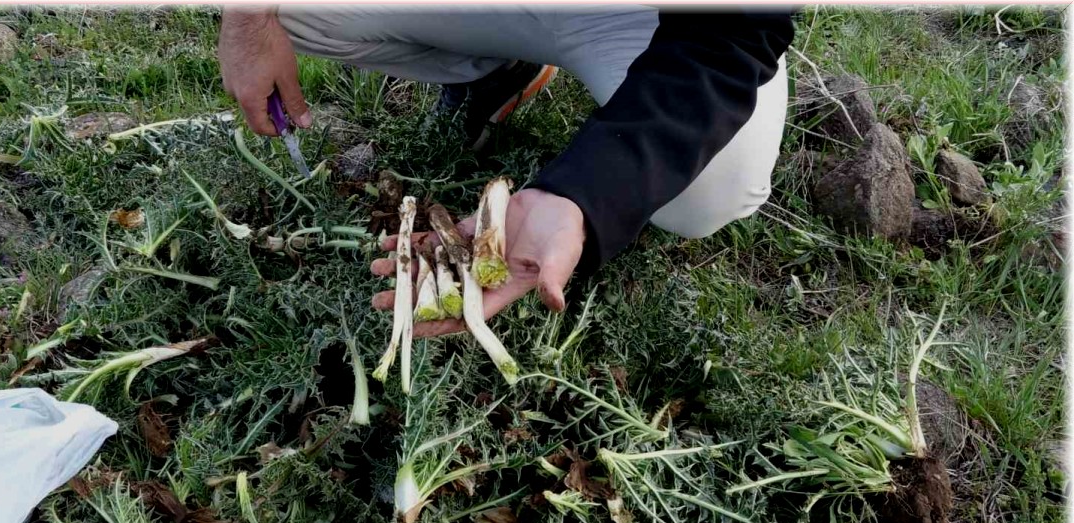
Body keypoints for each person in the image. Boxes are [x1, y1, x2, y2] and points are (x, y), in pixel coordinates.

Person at [218, 6, 795, 336]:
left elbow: (731, 36)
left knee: (708, 189)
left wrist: (580, 195)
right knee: (284, 13)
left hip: (648, 17)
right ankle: (491, 67)